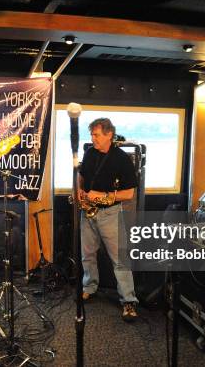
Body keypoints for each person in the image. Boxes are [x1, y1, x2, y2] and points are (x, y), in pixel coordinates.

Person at [77, 118, 139, 321]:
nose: (92, 139)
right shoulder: (89, 152)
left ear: (109, 135)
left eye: (96, 135)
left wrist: (102, 196)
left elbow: (128, 193)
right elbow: (82, 175)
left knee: (119, 260)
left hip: (110, 214)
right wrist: (80, 190)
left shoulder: (121, 159)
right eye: (92, 135)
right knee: (87, 255)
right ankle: (89, 287)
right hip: (88, 212)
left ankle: (128, 301)